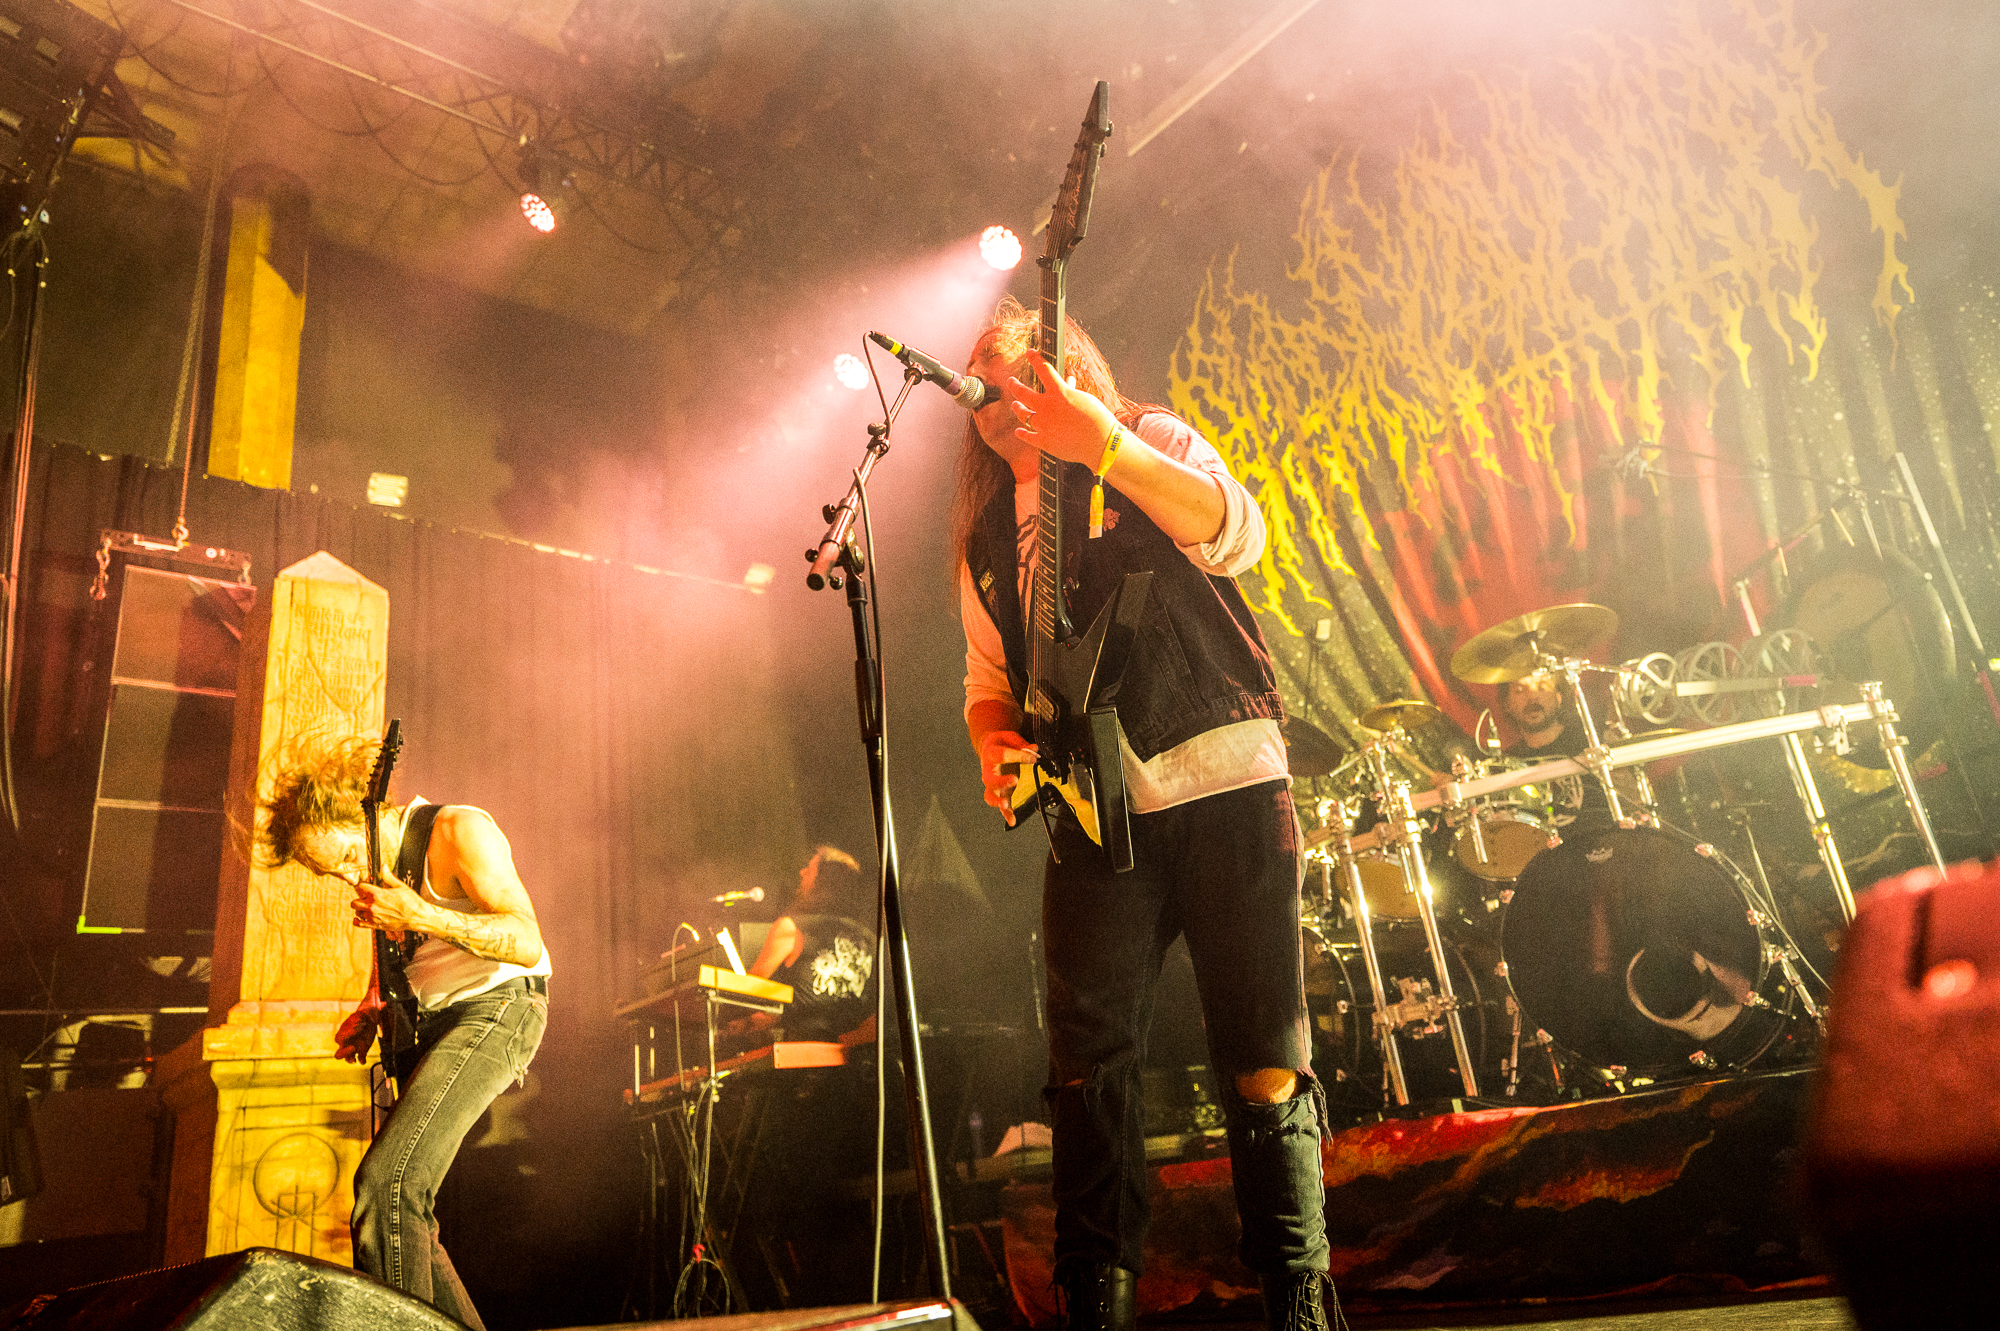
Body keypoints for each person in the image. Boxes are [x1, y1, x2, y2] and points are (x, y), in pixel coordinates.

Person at [953, 297, 1331, 1331]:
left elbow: (1236, 533)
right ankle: (1095, 1303)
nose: (992, 390)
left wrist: (1104, 445)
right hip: (1089, 814)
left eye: (1012, 368)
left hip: (1224, 777)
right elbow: (987, 682)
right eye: (979, 378)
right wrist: (994, 744)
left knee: (1262, 1051)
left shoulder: (1144, 433)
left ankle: (1299, 1303)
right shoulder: (984, 536)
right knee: (1087, 1071)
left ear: (1062, 367)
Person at [259, 737, 549, 1331]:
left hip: (499, 1008)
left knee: (387, 1185)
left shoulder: (458, 830)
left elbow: (525, 941)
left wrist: (418, 912)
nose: (349, 876)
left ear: (367, 813)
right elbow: (407, 956)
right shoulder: (377, 867)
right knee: (404, 1213)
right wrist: (375, 1003)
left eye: (346, 856)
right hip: (432, 1021)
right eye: (333, 873)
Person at [748, 844, 877, 1043]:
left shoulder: (790, 928)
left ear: (824, 882)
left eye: (810, 868)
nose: (802, 872)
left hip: (803, 1051)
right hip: (854, 1051)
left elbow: (750, 987)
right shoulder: (870, 938)